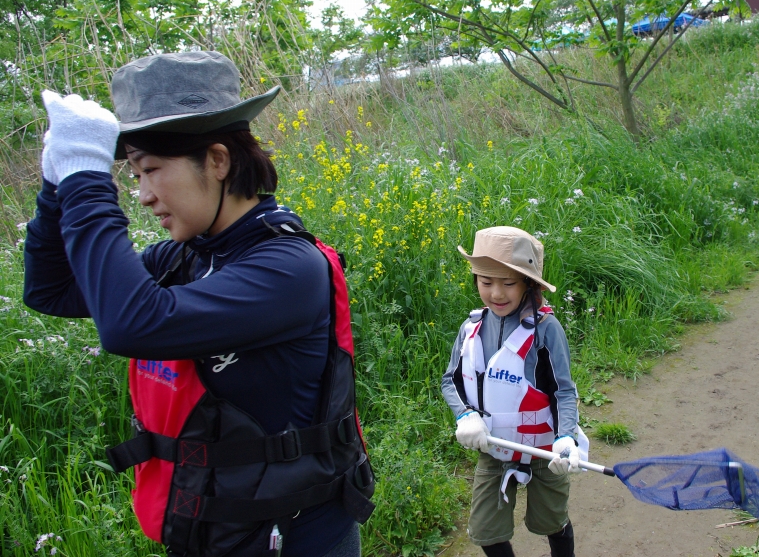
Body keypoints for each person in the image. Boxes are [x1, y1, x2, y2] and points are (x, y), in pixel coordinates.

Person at [23, 51, 374, 557]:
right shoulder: (183, 259)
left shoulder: (287, 270)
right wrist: (57, 185)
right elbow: (50, 290)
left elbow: (131, 325)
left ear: (217, 160)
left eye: (151, 170)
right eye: (134, 176)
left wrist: (87, 179)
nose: (142, 194)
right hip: (211, 529)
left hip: (295, 536)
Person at [442, 226, 586, 557]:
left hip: (544, 452)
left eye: (508, 283)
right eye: (486, 281)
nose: (496, 293)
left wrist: (566, 438)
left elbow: (564, 391)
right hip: (493, 447)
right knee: (485, 531)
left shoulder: (546, 330)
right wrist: (465, 414)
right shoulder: (470, 330)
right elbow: (451, 380)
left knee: (552, 521)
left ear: (528, 283)